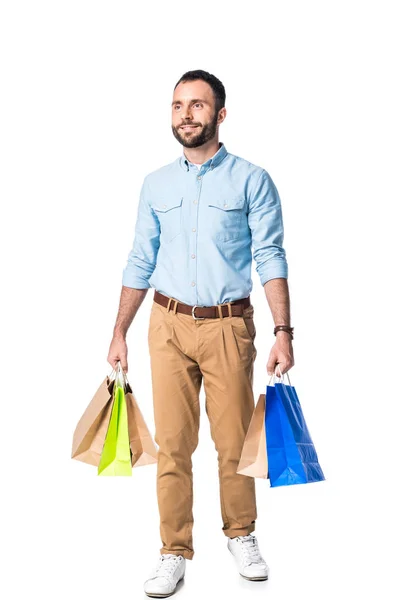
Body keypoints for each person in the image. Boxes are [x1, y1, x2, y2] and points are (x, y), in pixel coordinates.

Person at [108, 69, 294, 598]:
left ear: (220, 114)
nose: (185, 114)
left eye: (196, 105)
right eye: (177, 106)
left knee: (233, 443)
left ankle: (241, 534)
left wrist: (283, 330)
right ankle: (173, 551)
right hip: (165, 325)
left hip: (228, 326)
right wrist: (119, 330)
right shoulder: (155, 184)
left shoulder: (251, 179)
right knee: (173, 445)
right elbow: (140, 259)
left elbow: (269, 255)